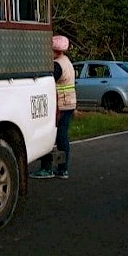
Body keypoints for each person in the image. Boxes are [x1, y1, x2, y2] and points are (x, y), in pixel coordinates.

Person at [31, 35, 77, 180]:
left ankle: (48, 168)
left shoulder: (57, 65)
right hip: (69, 103)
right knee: (62, 136)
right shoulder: (67, 61)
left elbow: (48, 83)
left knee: (55, 136)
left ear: (55, 50)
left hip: (61, 104)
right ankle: (62, 169)